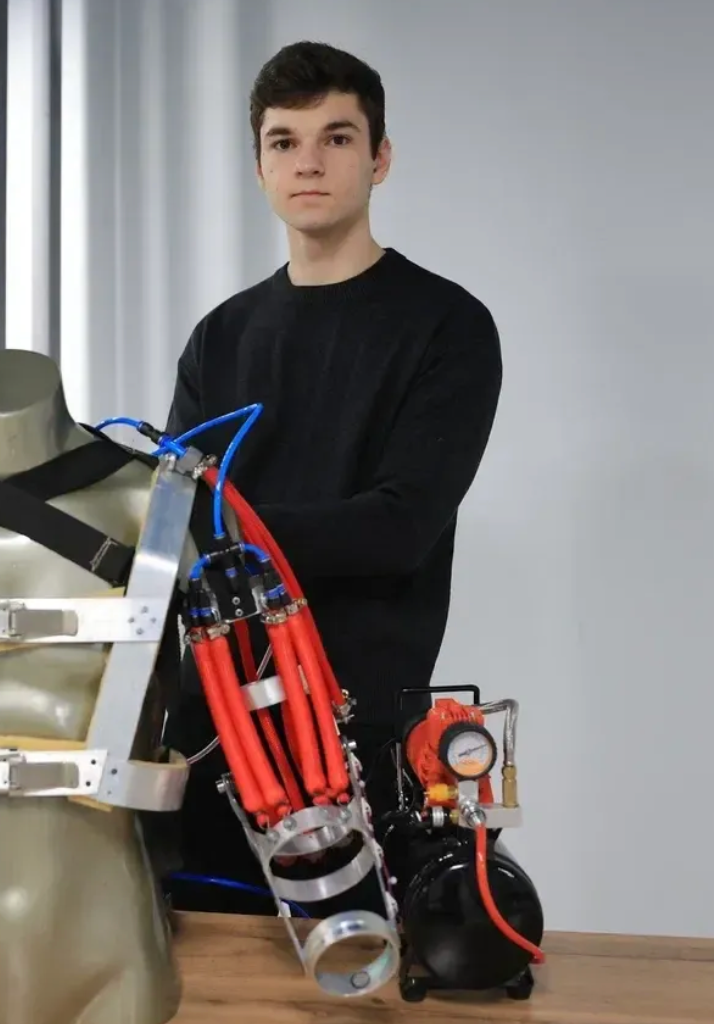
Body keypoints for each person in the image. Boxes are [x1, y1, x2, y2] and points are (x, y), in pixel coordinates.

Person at [158, 41, 504, 915]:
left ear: (379, 159)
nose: (307, 161)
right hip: (212, 738)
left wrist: (228, 530)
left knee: (359, 971)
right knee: (200, 970)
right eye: (284, 142)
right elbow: (170, 525)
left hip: (357, 744)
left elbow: (398, 527)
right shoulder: (221, 338)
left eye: (336, 138)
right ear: (260, 166)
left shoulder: (448, 328)